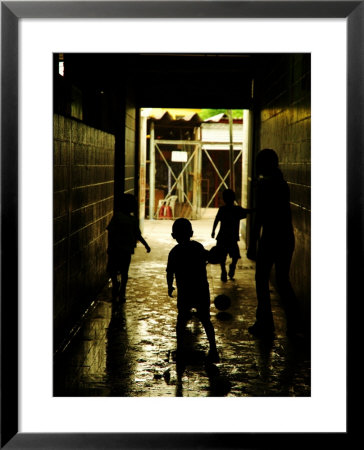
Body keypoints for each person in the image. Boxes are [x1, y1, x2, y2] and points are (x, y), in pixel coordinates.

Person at [247, 149, 302, 338]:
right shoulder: (282, 183)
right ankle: (294, 324)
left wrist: (252, 244)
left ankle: (265, 323)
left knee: (261, 279)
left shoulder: (264, 185)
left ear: (263, 165)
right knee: (283, 281)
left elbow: (260, 217)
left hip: (270, 238)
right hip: (286, 237)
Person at [166, 218, 219, 362]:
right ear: (191, 233)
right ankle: (213, 348)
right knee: (205, 319)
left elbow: (169, 272)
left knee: (181, 319)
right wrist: (216, 252)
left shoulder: (174, 252)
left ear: (173, 235)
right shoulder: (197, 247)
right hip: (201, 289)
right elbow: (211, 257)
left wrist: (170, 286)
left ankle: (180, 348)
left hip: (185, 292)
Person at [106, 193, 150, 302]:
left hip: (115, 250)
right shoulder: (133, 220)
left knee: (112, 270)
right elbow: (138, 235)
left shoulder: (116, 217)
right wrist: (146, 245)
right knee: (125, 273)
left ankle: (116, 284)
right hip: (126, 251)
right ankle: (122, 293)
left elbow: (110, 232)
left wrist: (110, 246)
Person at [211, 189, 253, 282]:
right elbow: (248, 211)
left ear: (224, 199)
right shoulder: (237, 210)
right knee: (234, 255)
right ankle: (231, 266)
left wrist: (213, 231)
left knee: (222, 256)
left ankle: (223, 271)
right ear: (234, 198)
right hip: (232, 237)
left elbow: (216, 220)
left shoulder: (223, 209)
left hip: (222, 236)